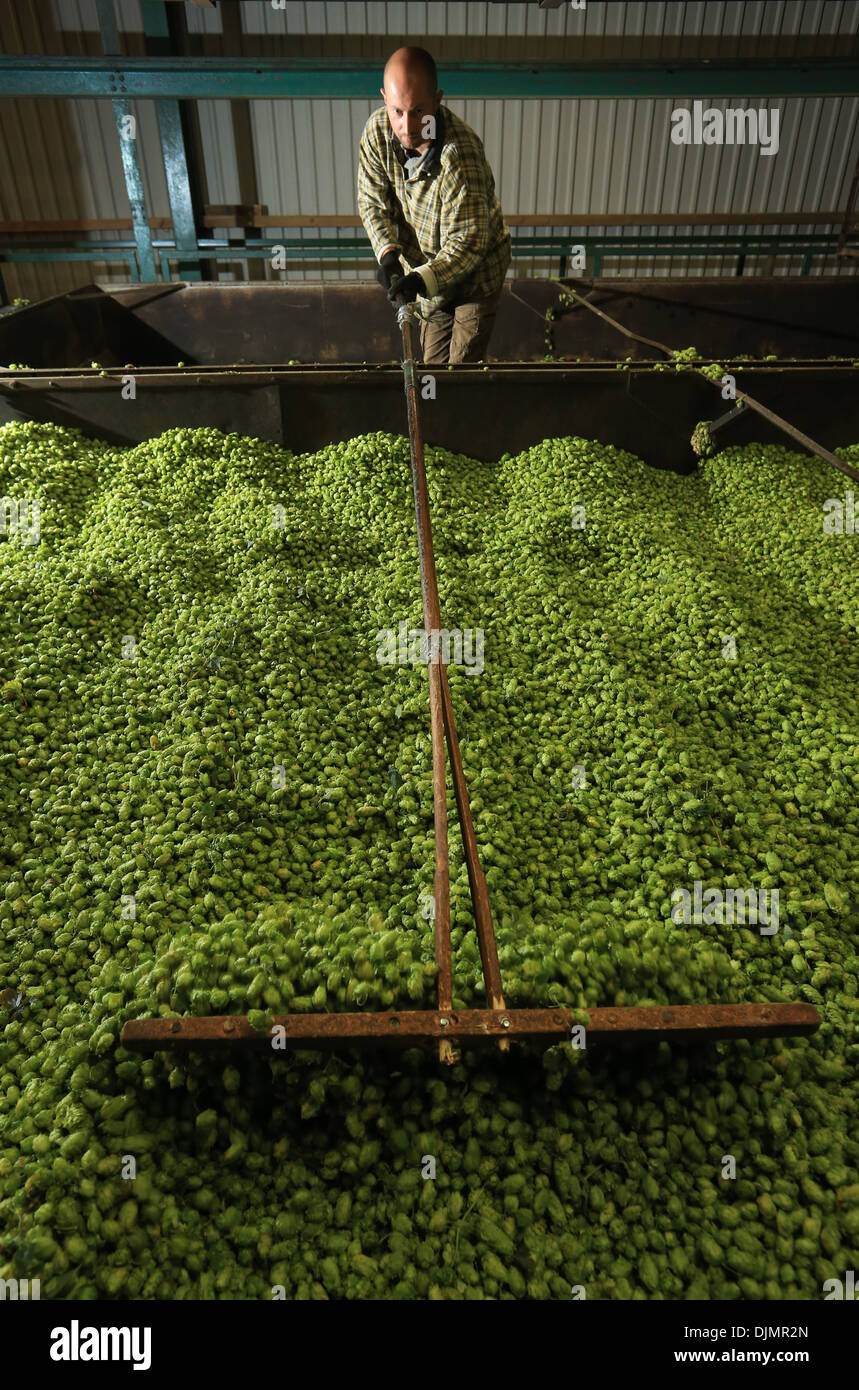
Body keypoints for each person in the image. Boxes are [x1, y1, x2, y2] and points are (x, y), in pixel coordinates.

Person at [357, 46, 511, 366]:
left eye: (417, 111)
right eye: (398, 111)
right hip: (428, 274)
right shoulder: (377, 134)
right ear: (385, 98)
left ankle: (467, 410)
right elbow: (373, 200)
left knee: (458, 373)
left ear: (437, 100)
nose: (408, 126)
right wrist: (387, 256)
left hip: (474, 278)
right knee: (432, 372)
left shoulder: (460, 156)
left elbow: (467, 245)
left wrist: (419, 280)